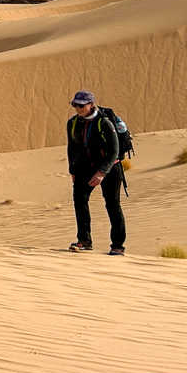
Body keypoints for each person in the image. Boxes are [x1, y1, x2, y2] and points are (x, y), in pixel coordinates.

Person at [66, 89, 126, 255]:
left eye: (81, 105)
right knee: (80, 200)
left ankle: (118, 246)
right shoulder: (72, 123)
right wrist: (72, 170)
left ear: (91, 105)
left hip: (110, 168)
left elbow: (115, 150)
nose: (78, 108)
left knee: (112, 205)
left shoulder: (104, 122)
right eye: (75, 105)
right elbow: (72, 148)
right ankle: (84, 240)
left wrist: (101, 173)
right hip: (84, 168)